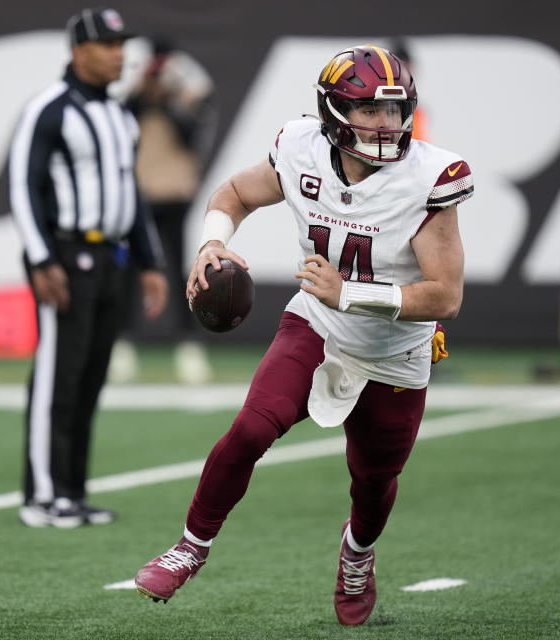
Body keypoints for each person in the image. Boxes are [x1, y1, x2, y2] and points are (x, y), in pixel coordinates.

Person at [135, 45, 473, 625]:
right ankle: (191, 545)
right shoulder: (301, 149)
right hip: (317, 325)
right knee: (248, 430)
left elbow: (445, 295)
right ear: (334, 112)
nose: (385, 124)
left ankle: (357, 555)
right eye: (368, 110)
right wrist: (213, 241)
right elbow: (235, 194)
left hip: (397, 352)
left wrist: (351, 292)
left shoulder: (428, 177)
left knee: (373, 481)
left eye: (393, 111)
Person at [9, 7, 168, 528]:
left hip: (113, 259)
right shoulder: (49, 109)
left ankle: (72, 490)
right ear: (79, 51)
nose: (119, 54)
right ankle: (41, 495)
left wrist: (149, 262)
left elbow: (132, 195)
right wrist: (39, 258)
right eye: (107, 44)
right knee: (59, 376)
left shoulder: (121, 115)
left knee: (92, 377)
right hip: (66, 258)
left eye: (122, 44)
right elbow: (23, 186)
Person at [110, 37, 218, 384]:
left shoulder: (187, 93)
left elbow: (191, 137)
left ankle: (188, 347)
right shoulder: (133, 97)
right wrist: (144, 93)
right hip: (139, 193)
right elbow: (121, 125)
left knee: (178, 268)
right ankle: (122, 344)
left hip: (174, 194)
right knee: (130, 270)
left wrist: (169, 99)